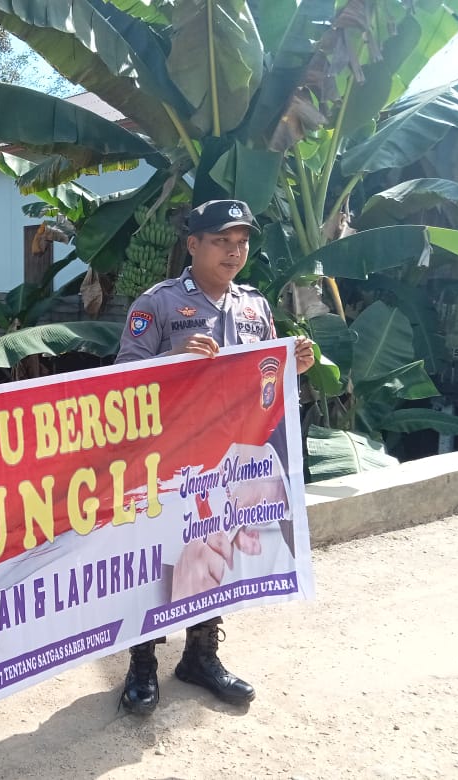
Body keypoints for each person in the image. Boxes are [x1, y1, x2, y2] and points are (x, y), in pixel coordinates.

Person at [115, 199, 315, 716]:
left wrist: (291, 366)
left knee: (217, 555)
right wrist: (170, 360)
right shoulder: (158, 303)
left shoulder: (255, 306)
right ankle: (142, 663)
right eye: (222, 241)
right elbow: (120, 379)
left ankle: (200, 656)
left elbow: (264, 382)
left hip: (230, 464)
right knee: (159, 560)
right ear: (193, 245)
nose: (234, 251)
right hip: (171, 464)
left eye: (241, 242)